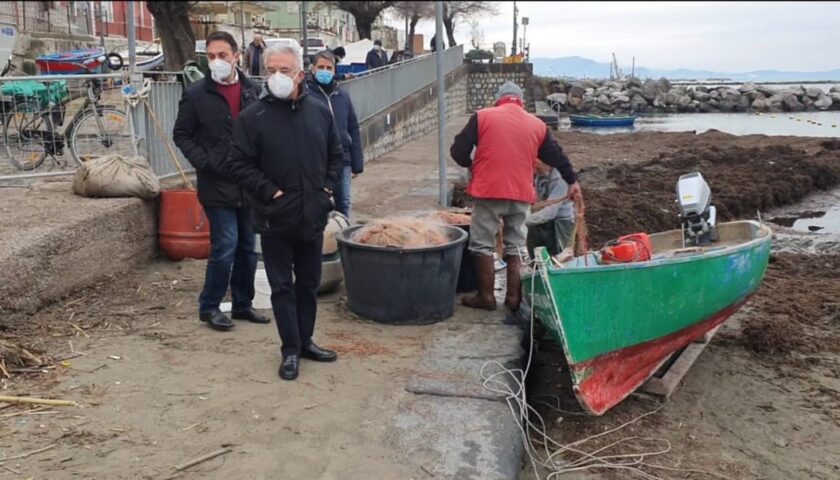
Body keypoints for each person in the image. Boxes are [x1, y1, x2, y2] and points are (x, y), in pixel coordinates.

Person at [221, 43, 344, 381]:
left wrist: (327, 190)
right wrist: (270, 192)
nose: (277, 76)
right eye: (271, 70)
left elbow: (336, 154)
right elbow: (238, 164)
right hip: (274, 216)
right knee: (281, 287)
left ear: (300, 74)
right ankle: (289, 349)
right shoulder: (253, 118)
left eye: (285, 70)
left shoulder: (319, 111)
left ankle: (306, 341)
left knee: (309, 283)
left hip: (312, 214)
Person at [450, 81, 582, 312]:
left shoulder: (483, 116)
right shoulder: (537, 124)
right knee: (516, 244)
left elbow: (458, 149)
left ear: (499, 99)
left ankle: (486, 296)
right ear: (521, 101)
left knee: (482, 244)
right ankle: (513, 298)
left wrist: (470, 164)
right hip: (521, 192)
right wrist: (572, 181)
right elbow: (556, 156)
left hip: (489, 189)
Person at [173, 31, 269, 332]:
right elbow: (182, 134)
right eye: (211, 56)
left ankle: (242, 303)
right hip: (216, 182)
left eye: (222, 55)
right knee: (225, 245)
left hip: (247, 183)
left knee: (248, 248)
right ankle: (210, 305)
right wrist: (205, 162)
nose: (217, 62)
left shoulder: (253, 90)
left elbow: (263, 131)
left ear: (236, 56)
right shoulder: (197, 94)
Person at [307, 50, 363, 218]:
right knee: (320, 204)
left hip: (343, 159)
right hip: (317, 161)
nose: (325, 71)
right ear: (313, 69)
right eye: (321, 67)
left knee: (343, 202)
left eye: (329, 68)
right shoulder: (306, 95)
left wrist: (357, 164)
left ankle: (342, 239)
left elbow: (353, 128)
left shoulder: (342, 96)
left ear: (334, 70)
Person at [526, 160, 576, 257]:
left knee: (559, 258)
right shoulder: (540, 176)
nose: (535, 170)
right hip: (543, 221)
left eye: (537, 165)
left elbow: (550, 213)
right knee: (537, 258)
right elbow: (539, 203)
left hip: (560, 223)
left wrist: (521, 221)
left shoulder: (560, 178)